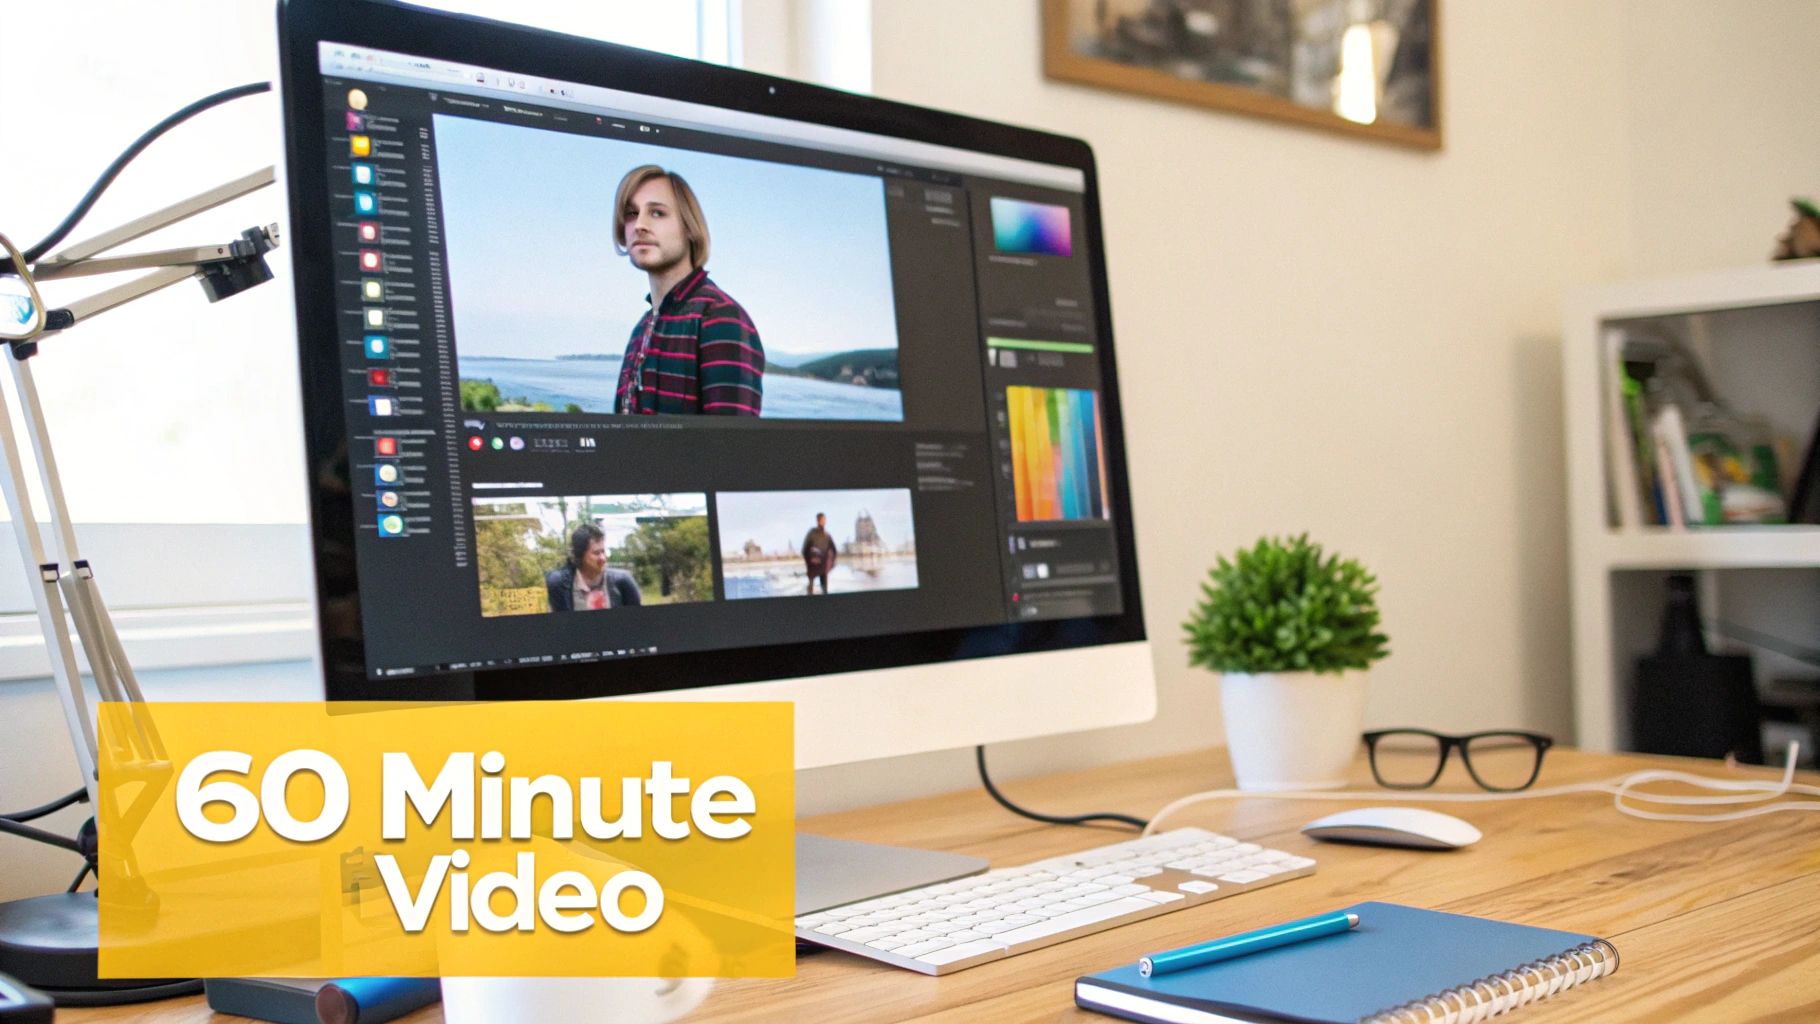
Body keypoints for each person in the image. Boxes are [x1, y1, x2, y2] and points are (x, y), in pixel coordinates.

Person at [611, 164, 763, 416]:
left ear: (689, 228)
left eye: (657, 213)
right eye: (631, 213)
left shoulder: (720, 317)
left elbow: (733, 449)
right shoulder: (641, 327)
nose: (639, 225)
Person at [546, 523, 642, 611]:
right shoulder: (558, 584)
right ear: (580, 555)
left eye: (603, 551)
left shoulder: (624, 581)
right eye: (596, 553)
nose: (603, 558)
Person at [801, 513, 837, 595]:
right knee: (811, 587)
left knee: (824, 588)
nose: (823, 521)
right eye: (822, 520)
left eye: (824, 519)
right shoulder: (812, 533)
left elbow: (833, 549)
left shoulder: (826, 535)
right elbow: (805, 549)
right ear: (818, 520)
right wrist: (809, 562)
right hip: (813, 565)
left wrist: (831, 563)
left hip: (823, 566)